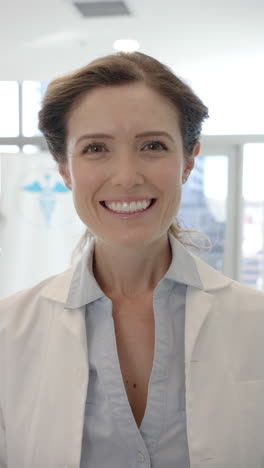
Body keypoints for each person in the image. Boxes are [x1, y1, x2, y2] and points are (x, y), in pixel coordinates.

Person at [0, 51, 264, 468]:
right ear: (64, 168)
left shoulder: (257, 323)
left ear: (189, 161)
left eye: (153, 145)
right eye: (95, 148)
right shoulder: (8, 332)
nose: (126, 176)